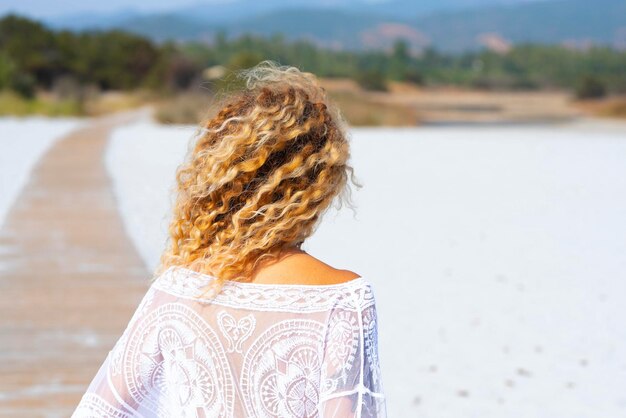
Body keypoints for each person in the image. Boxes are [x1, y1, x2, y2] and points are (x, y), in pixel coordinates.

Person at [71, 60, 386, 417]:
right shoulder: (342, 300)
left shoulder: (178, 288)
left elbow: (104, 408)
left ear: (217, 178)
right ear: (320, 184)